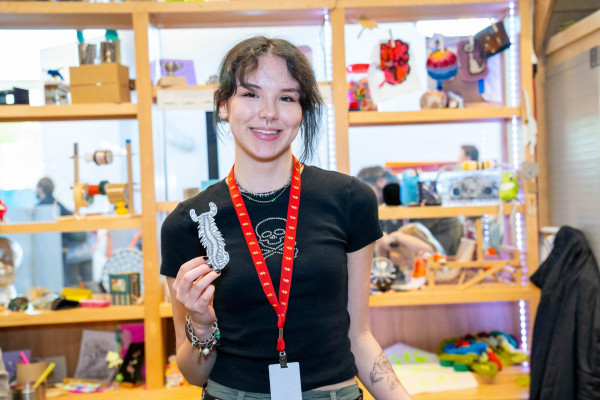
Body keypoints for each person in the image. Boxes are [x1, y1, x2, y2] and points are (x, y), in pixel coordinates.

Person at [160, 36, 411, 400]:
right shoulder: (189, 221)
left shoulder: (350, 199)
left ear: (302, 111)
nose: (269, 112)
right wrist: (200, 324)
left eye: (287, 97)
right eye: (250, 94)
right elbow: (193, 374)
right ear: (223, 105)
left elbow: (359, 337)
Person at [36, 177, 92, 288]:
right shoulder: (60, 205)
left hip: (58, 252)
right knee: (76, 283)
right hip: (70, 250)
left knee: (67, 284)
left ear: (40, 189)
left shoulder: (40, 208)